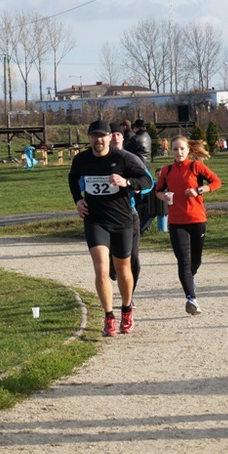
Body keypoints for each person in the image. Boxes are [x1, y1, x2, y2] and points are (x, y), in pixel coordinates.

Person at [67, 119, 152, 337]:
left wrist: (127, 183)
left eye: (102, 136)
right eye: (94, 136)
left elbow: (147, 180)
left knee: (123, 269)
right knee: (101, 269)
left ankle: (126, 310)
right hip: (95, 220)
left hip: (122, 220)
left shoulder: (122, 158)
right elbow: (73, 178)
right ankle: (108, 317)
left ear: (109, 137)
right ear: (89, 138)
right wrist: (78, 200)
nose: (99, 140)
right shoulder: (82, 159)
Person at [155, 135, 222, 315]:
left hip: (197, 219)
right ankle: (191, 299)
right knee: (183, 261)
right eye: (175, 149)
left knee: (195, 261)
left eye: (182, 149)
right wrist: (164, 196)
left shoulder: (196, 166)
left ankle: (191, 279)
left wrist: (198, 190)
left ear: (188, 150)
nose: (178, 152)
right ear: (171, 151)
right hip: (176, 222)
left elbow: (216, 182)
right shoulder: (166, 171)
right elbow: (158, 191)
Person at [107, 122, 154, 301]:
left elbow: (148, 182)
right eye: (111, 134)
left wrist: (135, 186)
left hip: (129, 211)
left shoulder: (131, 158)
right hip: (106, 213)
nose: (115, 137)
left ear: (123, 137)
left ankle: (129, 295)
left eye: (118, 134)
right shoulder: (97, 159)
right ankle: (113, 265)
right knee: (112, 254)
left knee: (132, 256)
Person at [124, 119, 153, 232]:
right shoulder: (147, 136)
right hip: (147, 165)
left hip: (138, 167)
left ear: (136, 127)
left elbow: (125, 148)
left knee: (138, 198)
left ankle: (139, 224)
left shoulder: (136, 138)